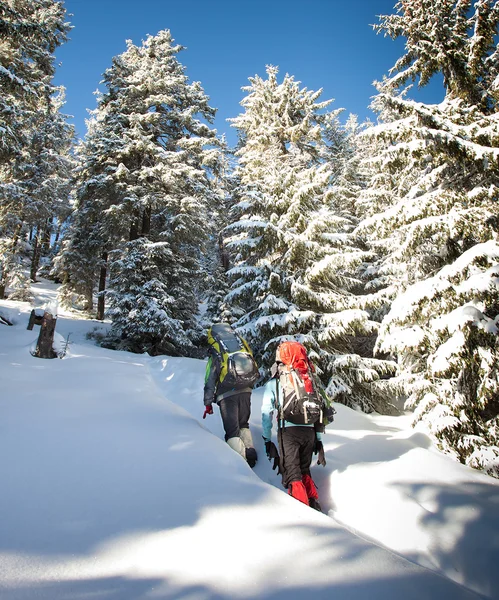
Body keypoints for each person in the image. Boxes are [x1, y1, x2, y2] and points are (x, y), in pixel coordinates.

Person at [261, 350, 326, 511]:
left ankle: (302, 512)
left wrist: (266, 438)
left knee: (292, 473)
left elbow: (266, 412)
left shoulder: (274, 384)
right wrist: (318, 440)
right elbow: (319, 411)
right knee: (304, 469)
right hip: (309, 431)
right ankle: (314, 503)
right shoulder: (308, 381)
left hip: (288, 432)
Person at [203, 324, 258, 468]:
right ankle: (251, 454)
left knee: (232, 431)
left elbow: (210, 380)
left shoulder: (217, 354)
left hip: (227, 395)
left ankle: (240, 466)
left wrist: (208, 403)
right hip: (246, 390)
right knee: (243, 424)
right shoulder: (240, 347)